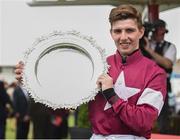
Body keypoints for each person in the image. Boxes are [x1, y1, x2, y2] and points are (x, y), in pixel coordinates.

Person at [15, 5, 167, 139]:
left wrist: (111, 95)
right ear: (111, 33)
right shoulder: (97, 65)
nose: (123, 37)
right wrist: (32, 84)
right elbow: (65, 104)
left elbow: (144, 122)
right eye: (118, 31)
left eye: (130, 30)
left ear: (141, 32)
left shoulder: (155, 73)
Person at [143, 19, 177, 134]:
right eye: (159, 32)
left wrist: (149, 51)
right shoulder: (144, 44)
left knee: (163, 116)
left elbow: (167, 63)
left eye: (163, 32)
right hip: (145, 84)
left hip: (163, 84)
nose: (162, 35)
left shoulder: (170, 47)